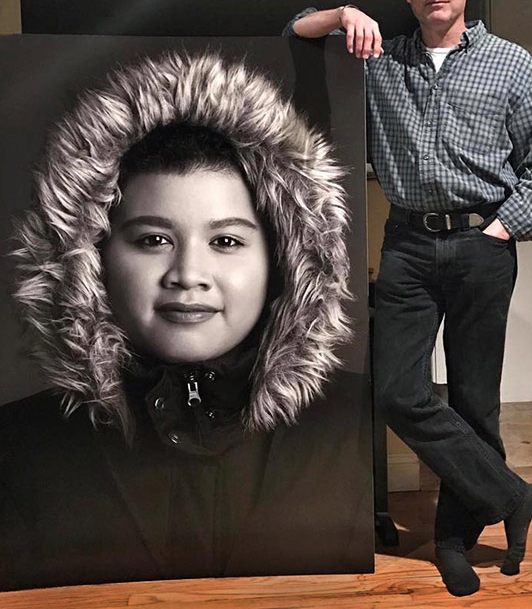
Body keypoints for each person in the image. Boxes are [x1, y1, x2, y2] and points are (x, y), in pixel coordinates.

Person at [0, 51, 372, 590]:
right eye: (153, 240)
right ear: (89, 255)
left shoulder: (355, 422)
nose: (188, 274)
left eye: (225, 241)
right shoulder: (17, 447)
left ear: (283, 258)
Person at [284, 0, 532, 597]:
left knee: (474, 402)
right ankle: (510, 493)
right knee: (395, 393)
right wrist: (341, 15)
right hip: (408, 246)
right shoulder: (378, 56)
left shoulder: (511, 64)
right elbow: (295, 29)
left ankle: (450, 540)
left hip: (482, 247)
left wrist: (502, 228)